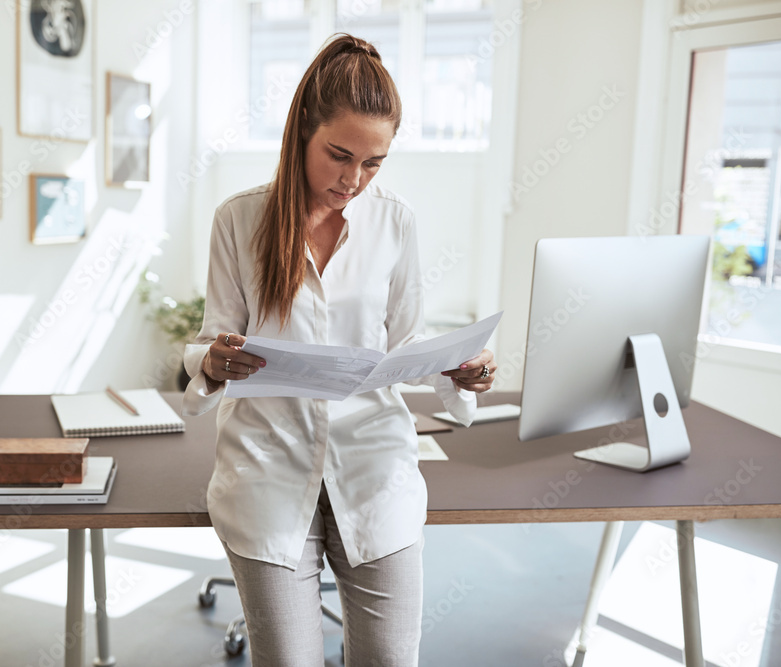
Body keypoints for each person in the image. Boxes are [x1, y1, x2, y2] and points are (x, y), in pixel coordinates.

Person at [182, 33, 497, 666]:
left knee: (388, 658)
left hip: (375, 467)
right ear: (302, 130)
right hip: (267, 474)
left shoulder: (395, 220)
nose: (354, 179)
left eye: (374, 162)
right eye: (339, 155)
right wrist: (213, 360)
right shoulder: (238, 220)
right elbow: (207, 341)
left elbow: (407, 338)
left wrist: (460, 371)